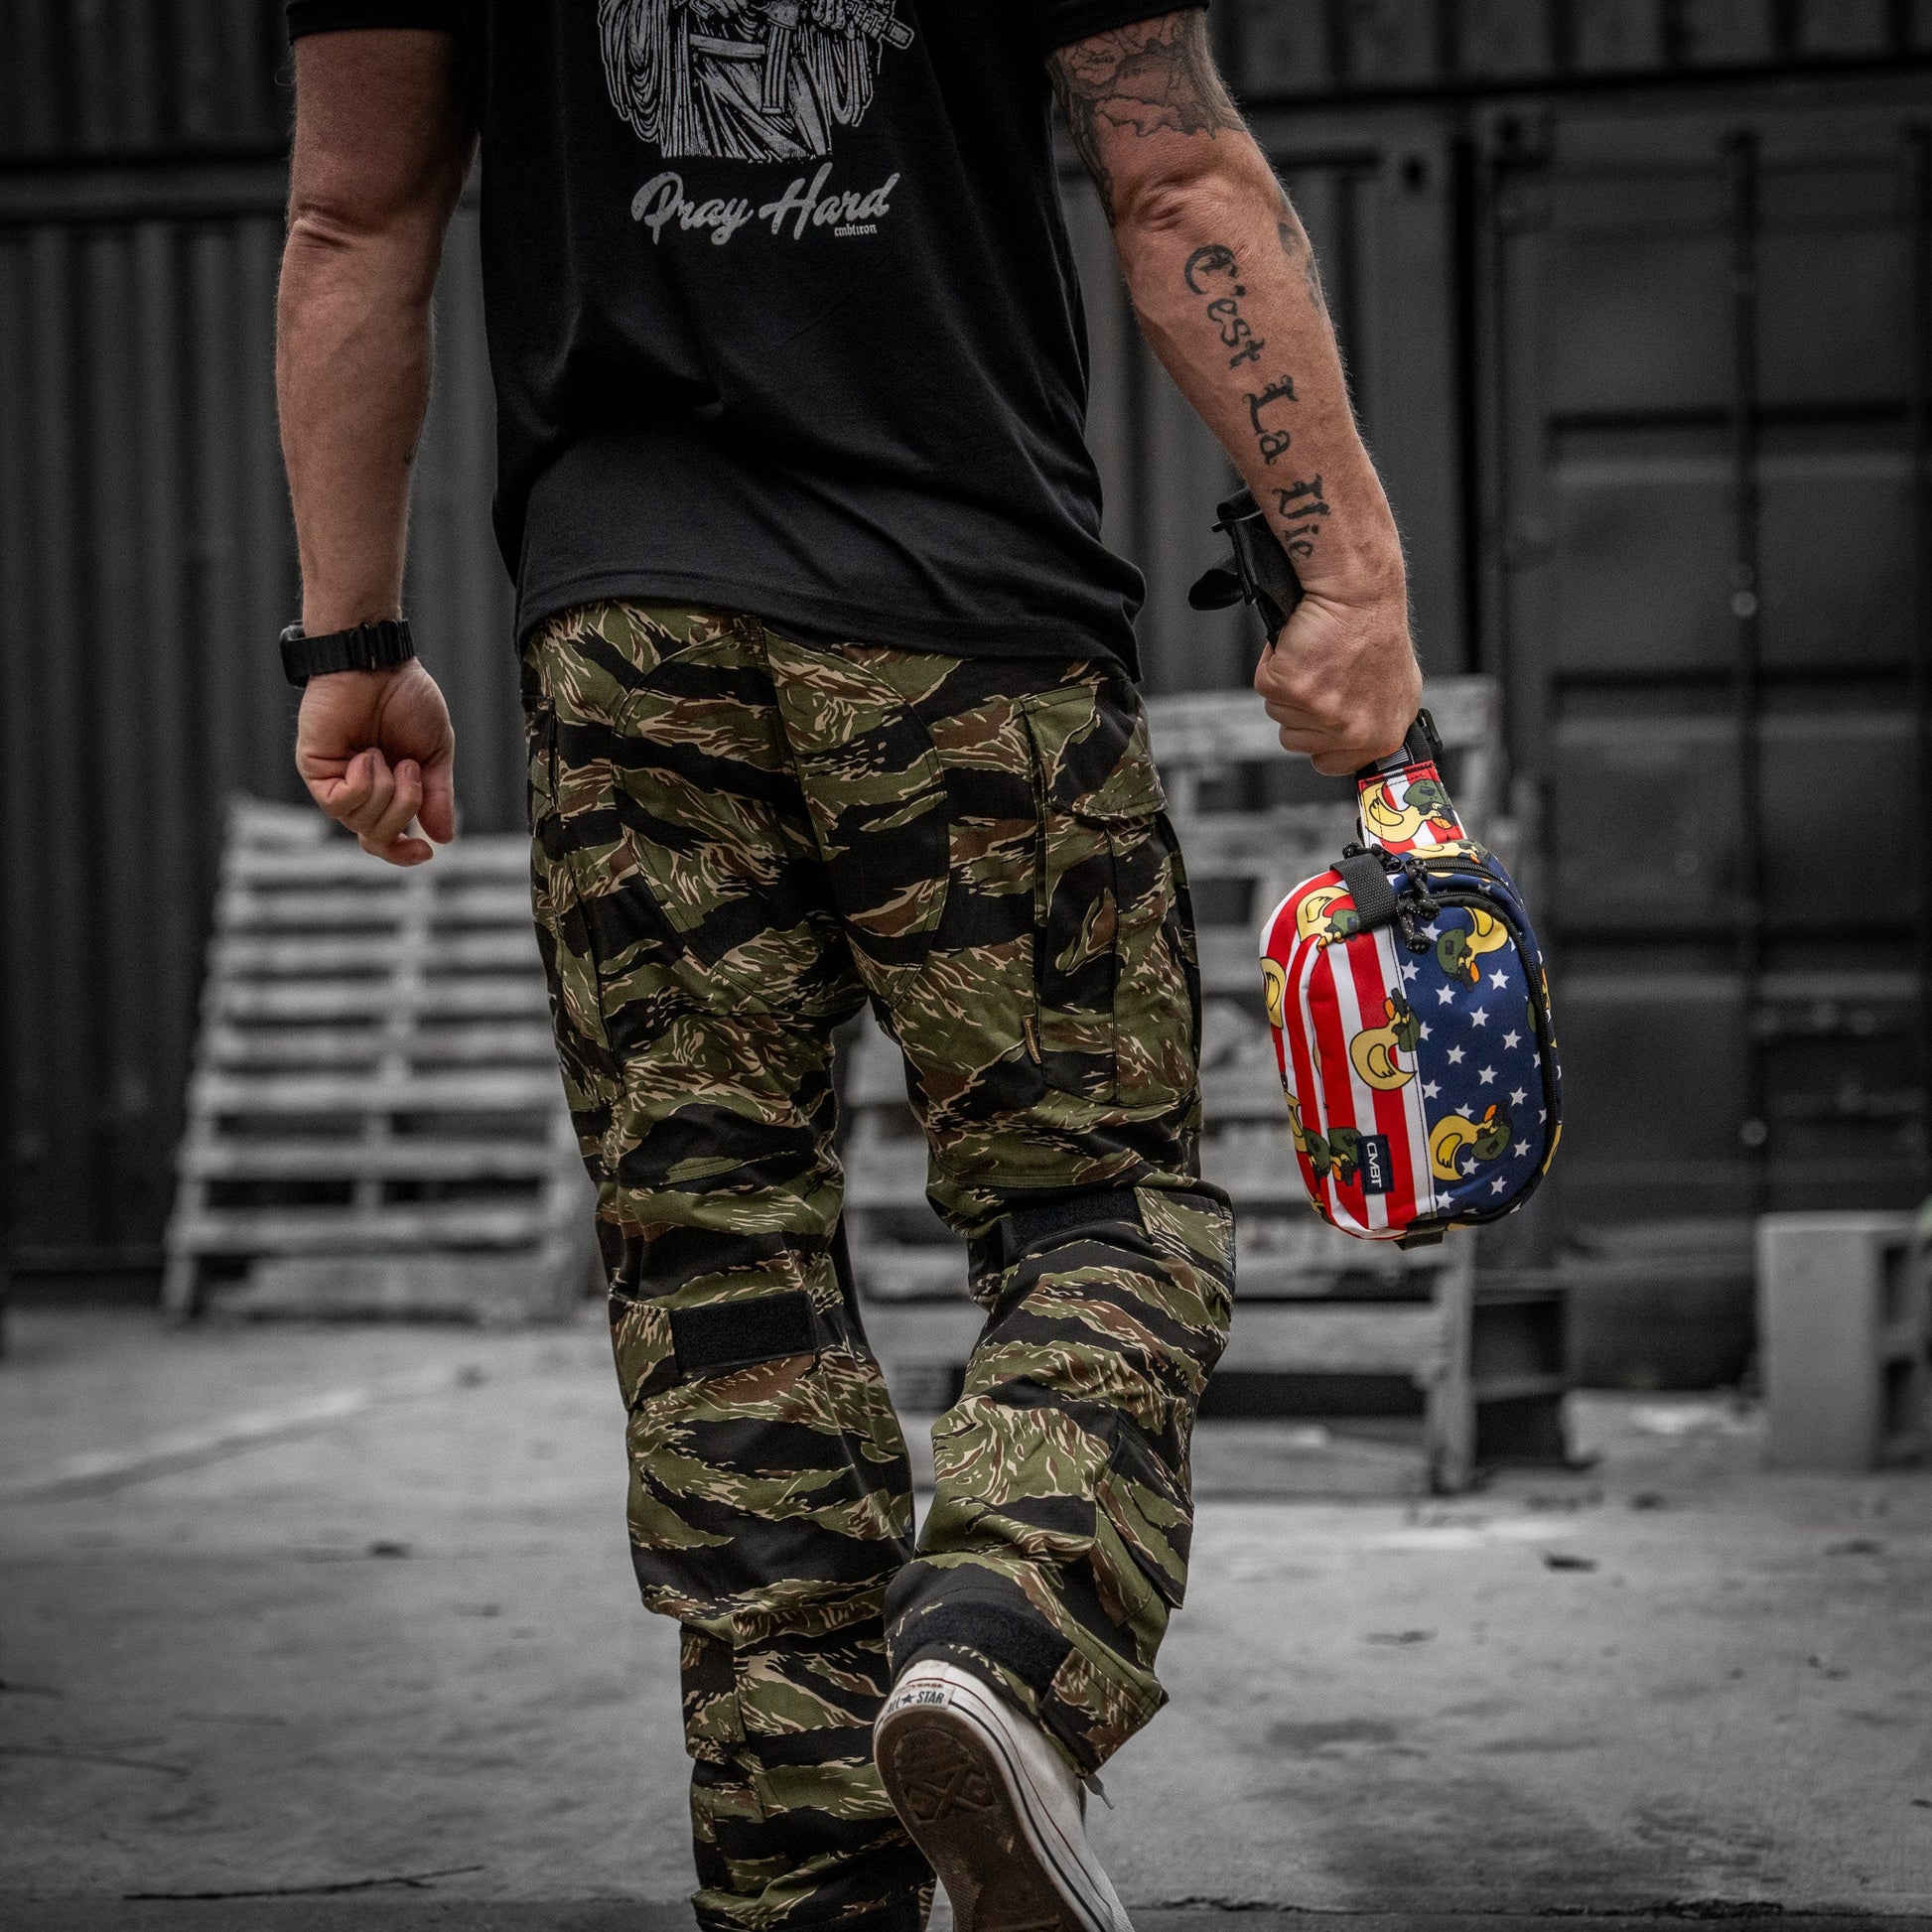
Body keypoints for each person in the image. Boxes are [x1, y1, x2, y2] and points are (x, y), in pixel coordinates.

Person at [275, 4, 1421, 1929]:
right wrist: (1356, 576)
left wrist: (351, 643)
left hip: (627, 629)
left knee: (717, 1268)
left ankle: (809, 1892)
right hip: (969, 612)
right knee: (1097, 1207)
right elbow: (1175, 176)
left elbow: (351, 221)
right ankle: (1004, 1641)